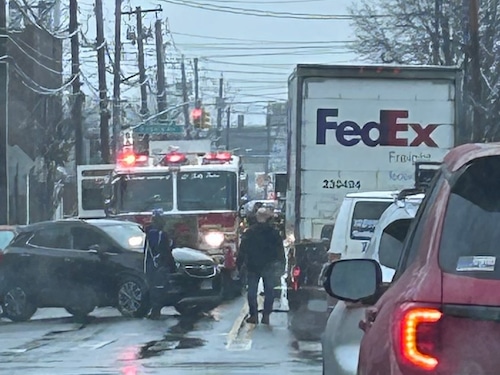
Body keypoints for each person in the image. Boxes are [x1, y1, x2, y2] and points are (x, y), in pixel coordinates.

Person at [237, 207, 285, 325]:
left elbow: (242, 251)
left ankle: (253, 315)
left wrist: (239, 265)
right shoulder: (274, 233)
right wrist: (282, 265)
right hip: (269, 266)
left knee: (252, 292)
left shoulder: (249, 232)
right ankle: (266, 316)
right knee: (269, 292)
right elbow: (280, 251)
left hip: (253, 266)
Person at [143, 209, 176, 319]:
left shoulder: (158, 233)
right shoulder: (155, 233)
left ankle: (156, 310)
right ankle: (155, 311)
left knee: (157, 287)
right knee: (156, 287)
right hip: (156, 265)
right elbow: (159, 250)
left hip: (157, 264)